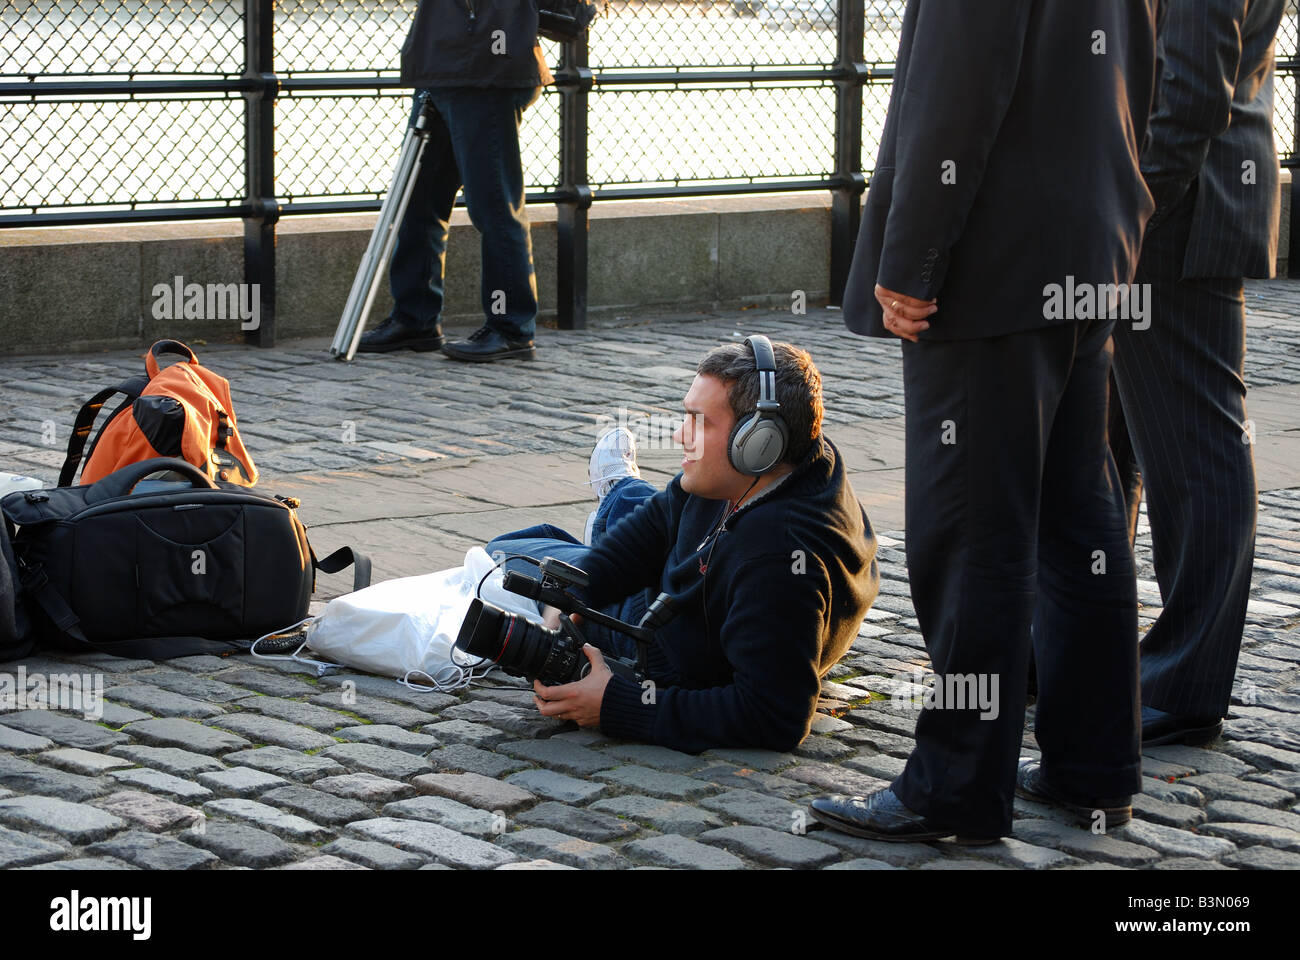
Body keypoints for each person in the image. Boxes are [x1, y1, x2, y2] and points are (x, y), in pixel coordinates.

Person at [811, 0, 1162, 843]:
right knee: (1080, 515)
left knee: (972, 533)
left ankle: (958, 788)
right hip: (1088, 241)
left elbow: (958, 83)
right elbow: (1141, 67)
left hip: (994, 261)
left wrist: (912, 254)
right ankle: (1093, 765)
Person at [485, 338, 880, 753]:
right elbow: (660, 519)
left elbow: (775, 715)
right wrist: (572, 596)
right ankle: (620, 495)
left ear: (758, 442)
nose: (678, 435)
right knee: (634, 523)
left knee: (508, 551)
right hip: (691, 596)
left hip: (669, 641)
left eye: (698, 421)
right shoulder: (778, 463)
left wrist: (614, 705)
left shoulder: (777, 562)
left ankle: (617, 498)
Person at [1109, 0, 1285, 747]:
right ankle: (1096, 652)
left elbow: (1190, 90)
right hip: (1181, 207)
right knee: (1118, 443)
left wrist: (1128, 211)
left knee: (1196, 454)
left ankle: (1183, 682)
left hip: (1179, 218)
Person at [359, 0, 551, 362]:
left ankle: (511, 327)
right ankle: (415, 318)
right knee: (419, 202)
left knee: (494, 205)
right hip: (443, 68)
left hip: (485, 69)